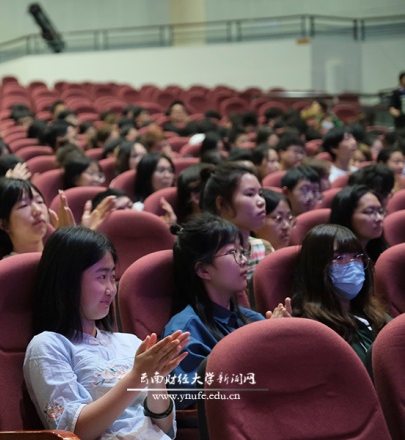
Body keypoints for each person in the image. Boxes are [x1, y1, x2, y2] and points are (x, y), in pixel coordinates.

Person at [25, 226, 189, 439]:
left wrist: (156, 377)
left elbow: (166, 428)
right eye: (101, 277)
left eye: (113, 277)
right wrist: (137, 377)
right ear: (68, 281)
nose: (111, 289)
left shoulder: (130, 342)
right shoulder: (48, 345)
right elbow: (74, 432)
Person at [163, 214, 290, 409]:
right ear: (204, 270)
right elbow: (188, 397)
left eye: (242, 252)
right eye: (232, 253)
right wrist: (259, 347)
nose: (243, 261)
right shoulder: (184, 331)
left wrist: (282, 338)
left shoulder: (253, 319)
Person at [291, 224, 390, 365]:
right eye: (339, 257)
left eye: (357, 256)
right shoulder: (315, 330)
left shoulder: (371, 312)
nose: (353, 265)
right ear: (317, 267)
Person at [199, 163, 271, 283]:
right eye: (250, 194)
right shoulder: (209, 259)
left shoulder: (264, 248)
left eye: (261, 194)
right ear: (221, 204)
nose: (261, 201)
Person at [329, 185, 388, 263]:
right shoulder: (335, 259)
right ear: (346, 216)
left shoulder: (380, 253)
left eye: (380, 211)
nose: (379, 218)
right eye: (369, 212)